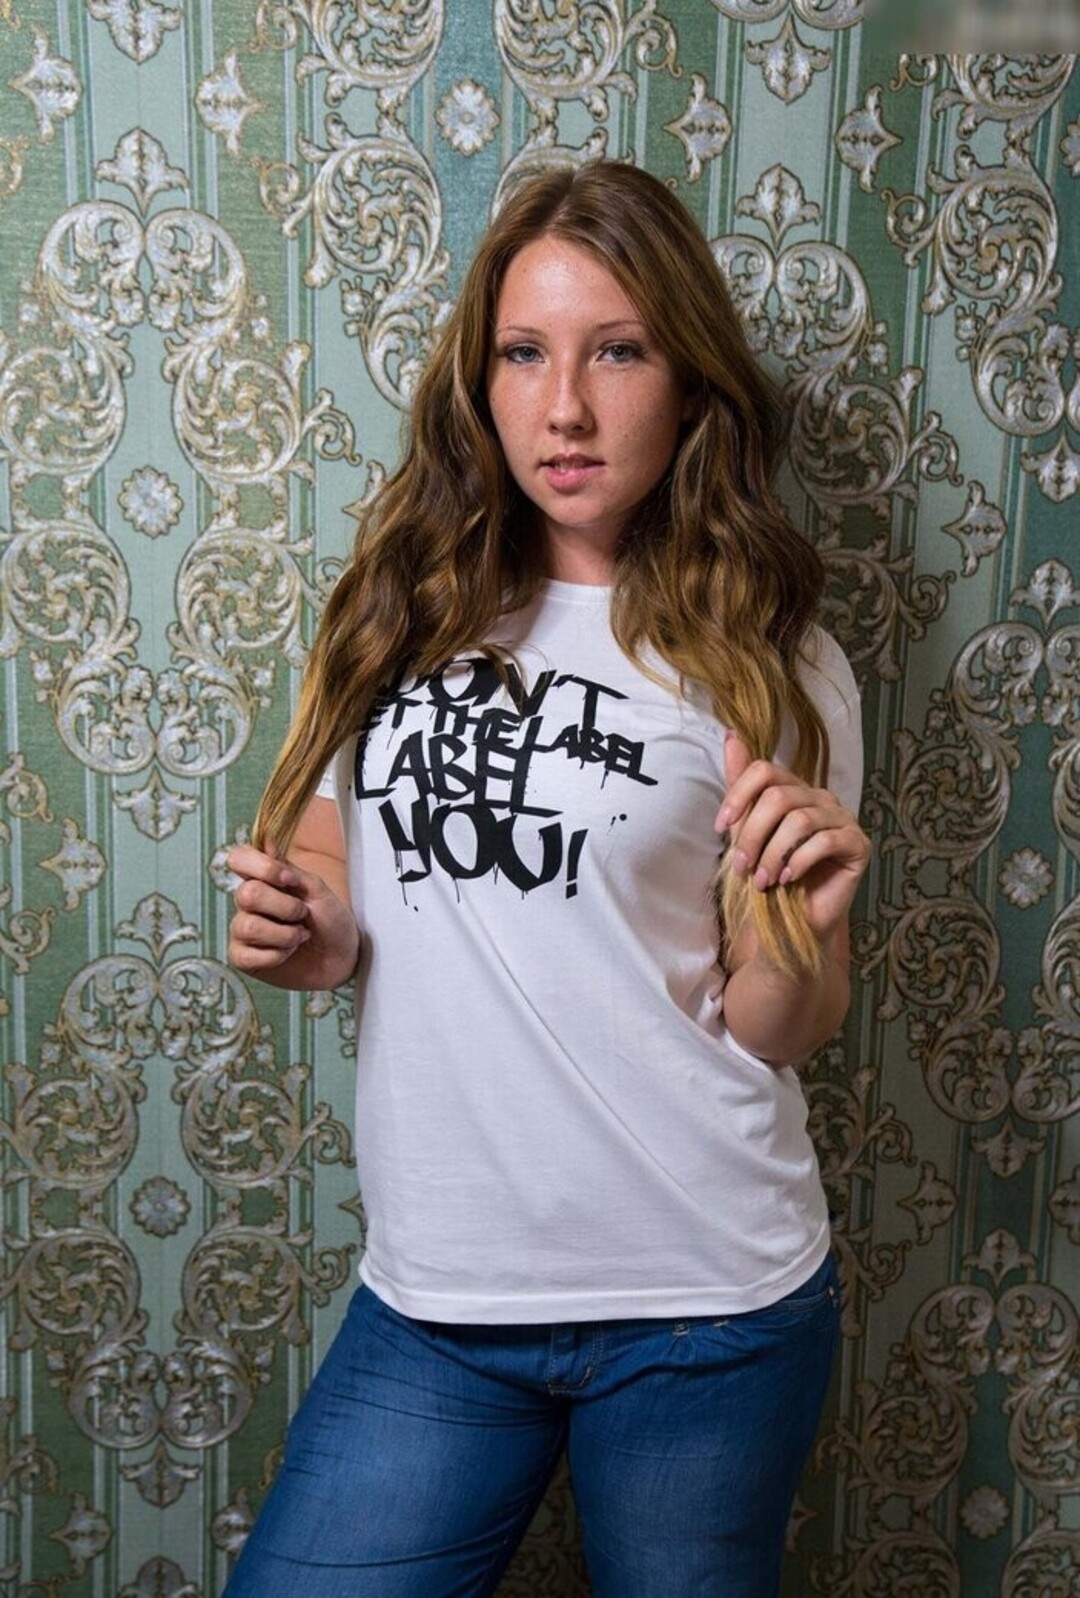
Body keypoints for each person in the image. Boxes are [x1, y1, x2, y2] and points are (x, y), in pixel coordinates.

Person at [223, 159, 870, 1598]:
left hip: (706, 1303)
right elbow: (335, 883)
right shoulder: (396, 616)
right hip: (442, 1301)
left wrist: (809, 933)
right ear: (482, 381)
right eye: (525, 353)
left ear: (690, 385)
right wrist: (304, 926)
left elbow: (773, 1024)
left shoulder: (775, 659)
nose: (563, 407)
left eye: (617, 352)